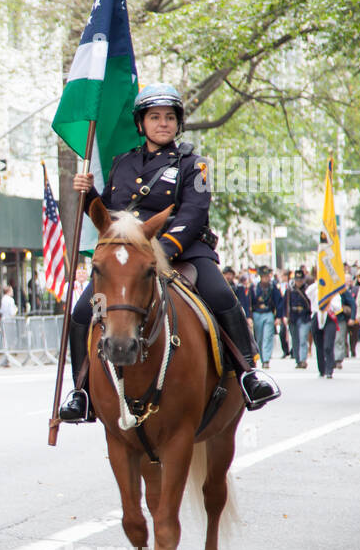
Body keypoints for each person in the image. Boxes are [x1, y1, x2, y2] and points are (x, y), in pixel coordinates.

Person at [59, 84, 280, 422]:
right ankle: (82, 392)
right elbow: (109, 215)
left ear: (179, 123)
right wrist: (88, 196)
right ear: (141, 123)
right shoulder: (122, 164)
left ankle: (250, 374)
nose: (162, 123)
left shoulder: (198, 166)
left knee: (221, 296)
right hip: (132, 258)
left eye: (169, 117)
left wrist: (158, 251)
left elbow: (194, 215)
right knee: (81, 312)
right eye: (154, 117)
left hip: (184, 251)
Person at [306, 274, 342, 378]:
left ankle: (329, 369)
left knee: (328, 345)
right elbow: (308, 292)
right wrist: (319, 283)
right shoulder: (315, 289)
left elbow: (337, 306)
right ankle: (321, 369)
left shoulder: (333, 291)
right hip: (316, 316)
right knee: (319, 344)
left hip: (329, 317)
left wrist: (327, 302)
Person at [248, 266, 283, 368]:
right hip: (257, 313)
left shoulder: (273, 287)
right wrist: (249, 317)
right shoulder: (254, 287)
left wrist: (278, 317)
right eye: (264, 276)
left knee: (268, 336)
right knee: (259, 338)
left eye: (267, 276)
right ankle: (262, 357)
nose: (266, 278)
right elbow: (249, 302)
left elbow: (278, 302)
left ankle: (266, 360)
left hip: (268, 313)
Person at [285, 268, 313, 369]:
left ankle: (303, 360)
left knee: (303, 339)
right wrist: (285, 316)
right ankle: (298, 359)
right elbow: (286, 303)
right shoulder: (290, 290)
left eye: (300, 280)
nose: (298, 282)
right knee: (295, 340)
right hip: (293, 317)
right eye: (297, 280)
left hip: (304, 317)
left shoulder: (308, 290)